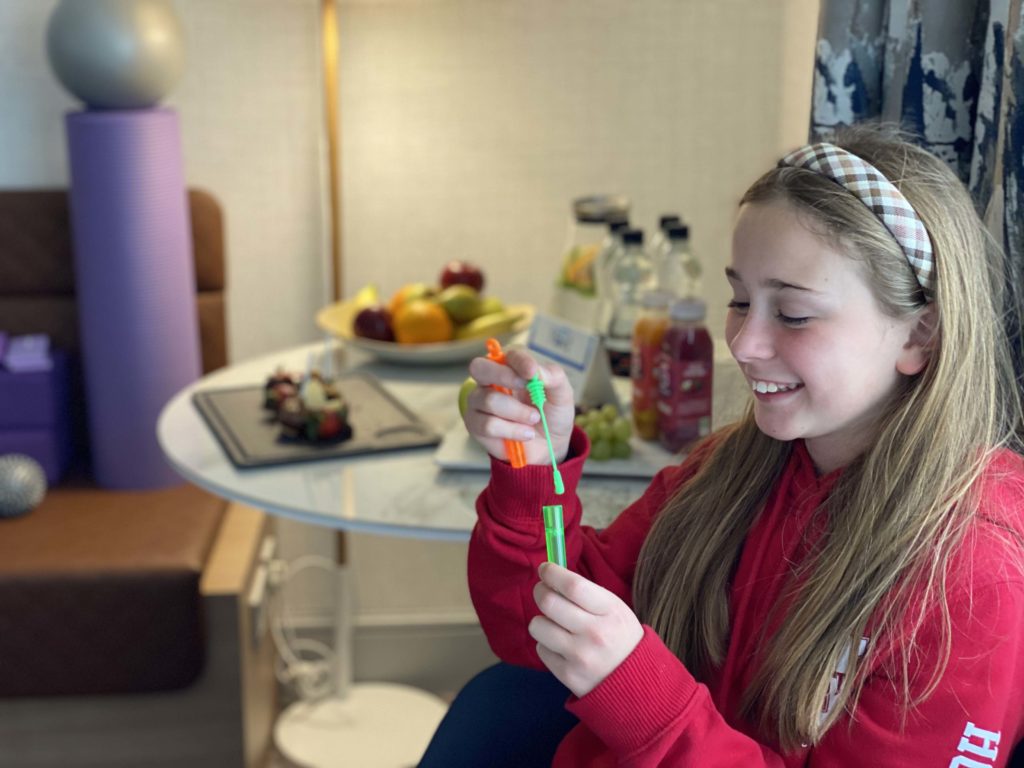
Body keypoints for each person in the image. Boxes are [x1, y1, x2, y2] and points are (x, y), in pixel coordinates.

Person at [439, 127, 1024, 767]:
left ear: (919, 334)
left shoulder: (974, 580)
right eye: (739, 300)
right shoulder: (728, 472)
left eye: (793, 313)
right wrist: (532, 473)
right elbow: (532, 628)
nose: (743, 343)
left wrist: (643, 700)